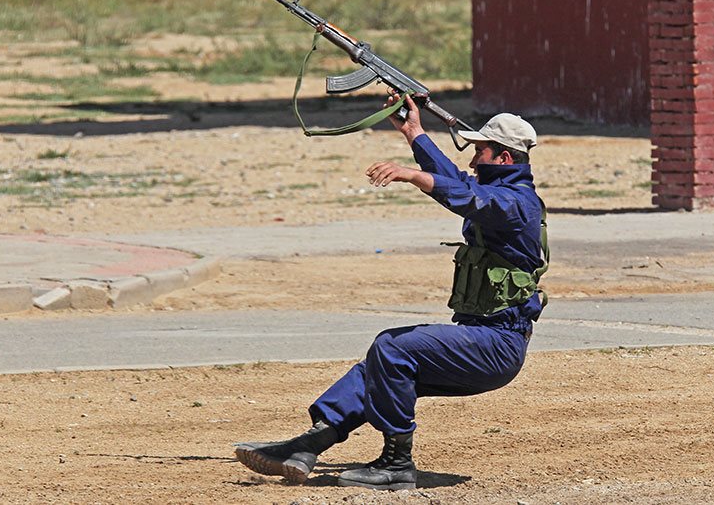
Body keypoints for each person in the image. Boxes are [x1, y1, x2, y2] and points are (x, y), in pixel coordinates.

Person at [235, 93, 548, 491]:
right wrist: (414, 133)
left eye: (480, 152)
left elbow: (469, 197)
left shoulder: (518, 204)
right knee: (379, 370)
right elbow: (457, 182)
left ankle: (397, 464)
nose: (472, 161)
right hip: (481, 339)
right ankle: (309, 444)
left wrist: (413, 176)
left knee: (393, 347)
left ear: (503, 158)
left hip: (496, 345)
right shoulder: (504, 195)